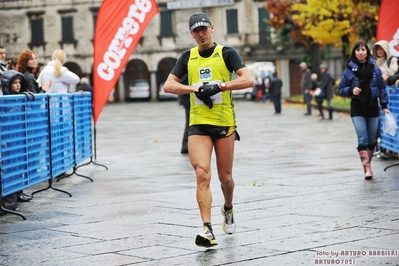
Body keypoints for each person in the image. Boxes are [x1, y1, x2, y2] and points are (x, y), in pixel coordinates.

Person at [163, 12, 254, 248]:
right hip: (198, 124)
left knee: (226, 179)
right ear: (191, 34)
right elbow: (168, 85)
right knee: (202, 174)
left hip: (224, 123)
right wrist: (194, 89)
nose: (201, 33)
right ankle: (207, 229)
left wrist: (220, 86)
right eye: (196, 30)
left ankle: (228, 207)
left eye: (204, 28)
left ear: (212, 28)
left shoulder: (227, 53)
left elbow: (248, 80)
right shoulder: (187, 57)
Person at [338, 41, 389, 180]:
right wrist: (351, 90)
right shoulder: (349, 69)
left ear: (367, 51)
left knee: (372, 140)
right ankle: (367, 168)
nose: (360, 52)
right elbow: (341, 88)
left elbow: (382, 89)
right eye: (358, 50)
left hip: (373, 106)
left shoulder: (375, 69)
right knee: (363, 138)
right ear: (354, 53)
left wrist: (384, 105)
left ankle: (367, 164)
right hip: (357, 106)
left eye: (363, 49)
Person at [0, 69, 32, 212]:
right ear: (8, 84)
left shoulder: (19, 98)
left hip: (18, 141)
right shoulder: (5, 102)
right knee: (10, 169)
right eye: (14, 83)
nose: (18, 85)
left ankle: (15, 196)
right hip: (8, 142)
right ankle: (8, 201)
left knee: (18, 167)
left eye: (19, 82)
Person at [178, 74, 189, 154]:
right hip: (187, 100)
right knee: (190, 123)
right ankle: (185, 146)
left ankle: (186, 146)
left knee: (189, 122)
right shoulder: (186, 68)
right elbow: (182, 84)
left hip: (187, 100)